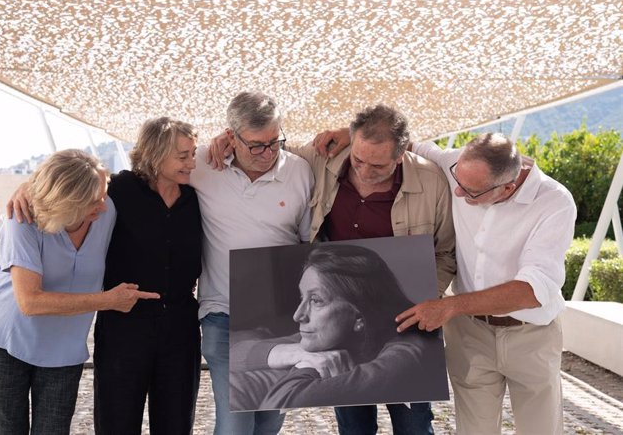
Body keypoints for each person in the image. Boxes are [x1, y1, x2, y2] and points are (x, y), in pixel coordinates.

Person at [209, 103, 455, 434]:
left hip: (404, 323)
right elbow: (270, 150)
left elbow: (446, 252)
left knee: (413, 426)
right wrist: (229, 146)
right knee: (353, 428)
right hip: (348, 320)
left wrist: (430, 295)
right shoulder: (321, 159)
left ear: (401, 155)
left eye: (378, 165)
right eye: (358, 160)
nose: (365, 172)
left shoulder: (432, 181)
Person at [7, 117, 203, 434]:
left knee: (177, 425)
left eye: (193, 154)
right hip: (124, 327)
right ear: (155, 154)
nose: (192, 163)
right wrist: (27, 187)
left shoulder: (198, 196)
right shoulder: (118, 191)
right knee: (116, 424)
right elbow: (68, 180)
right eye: (183, 156)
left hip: (180, 329)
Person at [392, 133, 577, 434]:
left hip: (530, 335)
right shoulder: (459, 167)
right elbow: (401, 140)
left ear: (508, 187)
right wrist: (345, 135)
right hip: (469, 334)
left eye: (472, 192)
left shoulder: (555, 202)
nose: (460, 195)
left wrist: (449, 305)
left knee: (540, 429)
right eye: (458, 182)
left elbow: (532, 291)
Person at [0, 149, 159, 435]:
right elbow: (29, 301)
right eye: (92, 200)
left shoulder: (105, 211)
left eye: (104, 193)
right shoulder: (22, 219)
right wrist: (108, 301)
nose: (103, 204)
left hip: (64, 347)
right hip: (7, 338)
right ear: (68, 201)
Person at [191, 91, 314, 435]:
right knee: (235, 427)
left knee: (268, 422)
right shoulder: (202, 165)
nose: (268, 153)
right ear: (231, 136)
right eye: (256, 146)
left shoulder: (300, 171)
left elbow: (306, 244)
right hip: (222, 315)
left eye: (275, 142)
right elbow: (146, 169)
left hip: (282, 321)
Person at [230, 245, 447, 412]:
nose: (298, 315)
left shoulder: (408, 351)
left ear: (359, 316)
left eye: (316, 300)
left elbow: (278, 403)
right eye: (301, 297)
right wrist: (293, 352)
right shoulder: (329, 339)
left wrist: (305, 366)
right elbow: (230, 355)